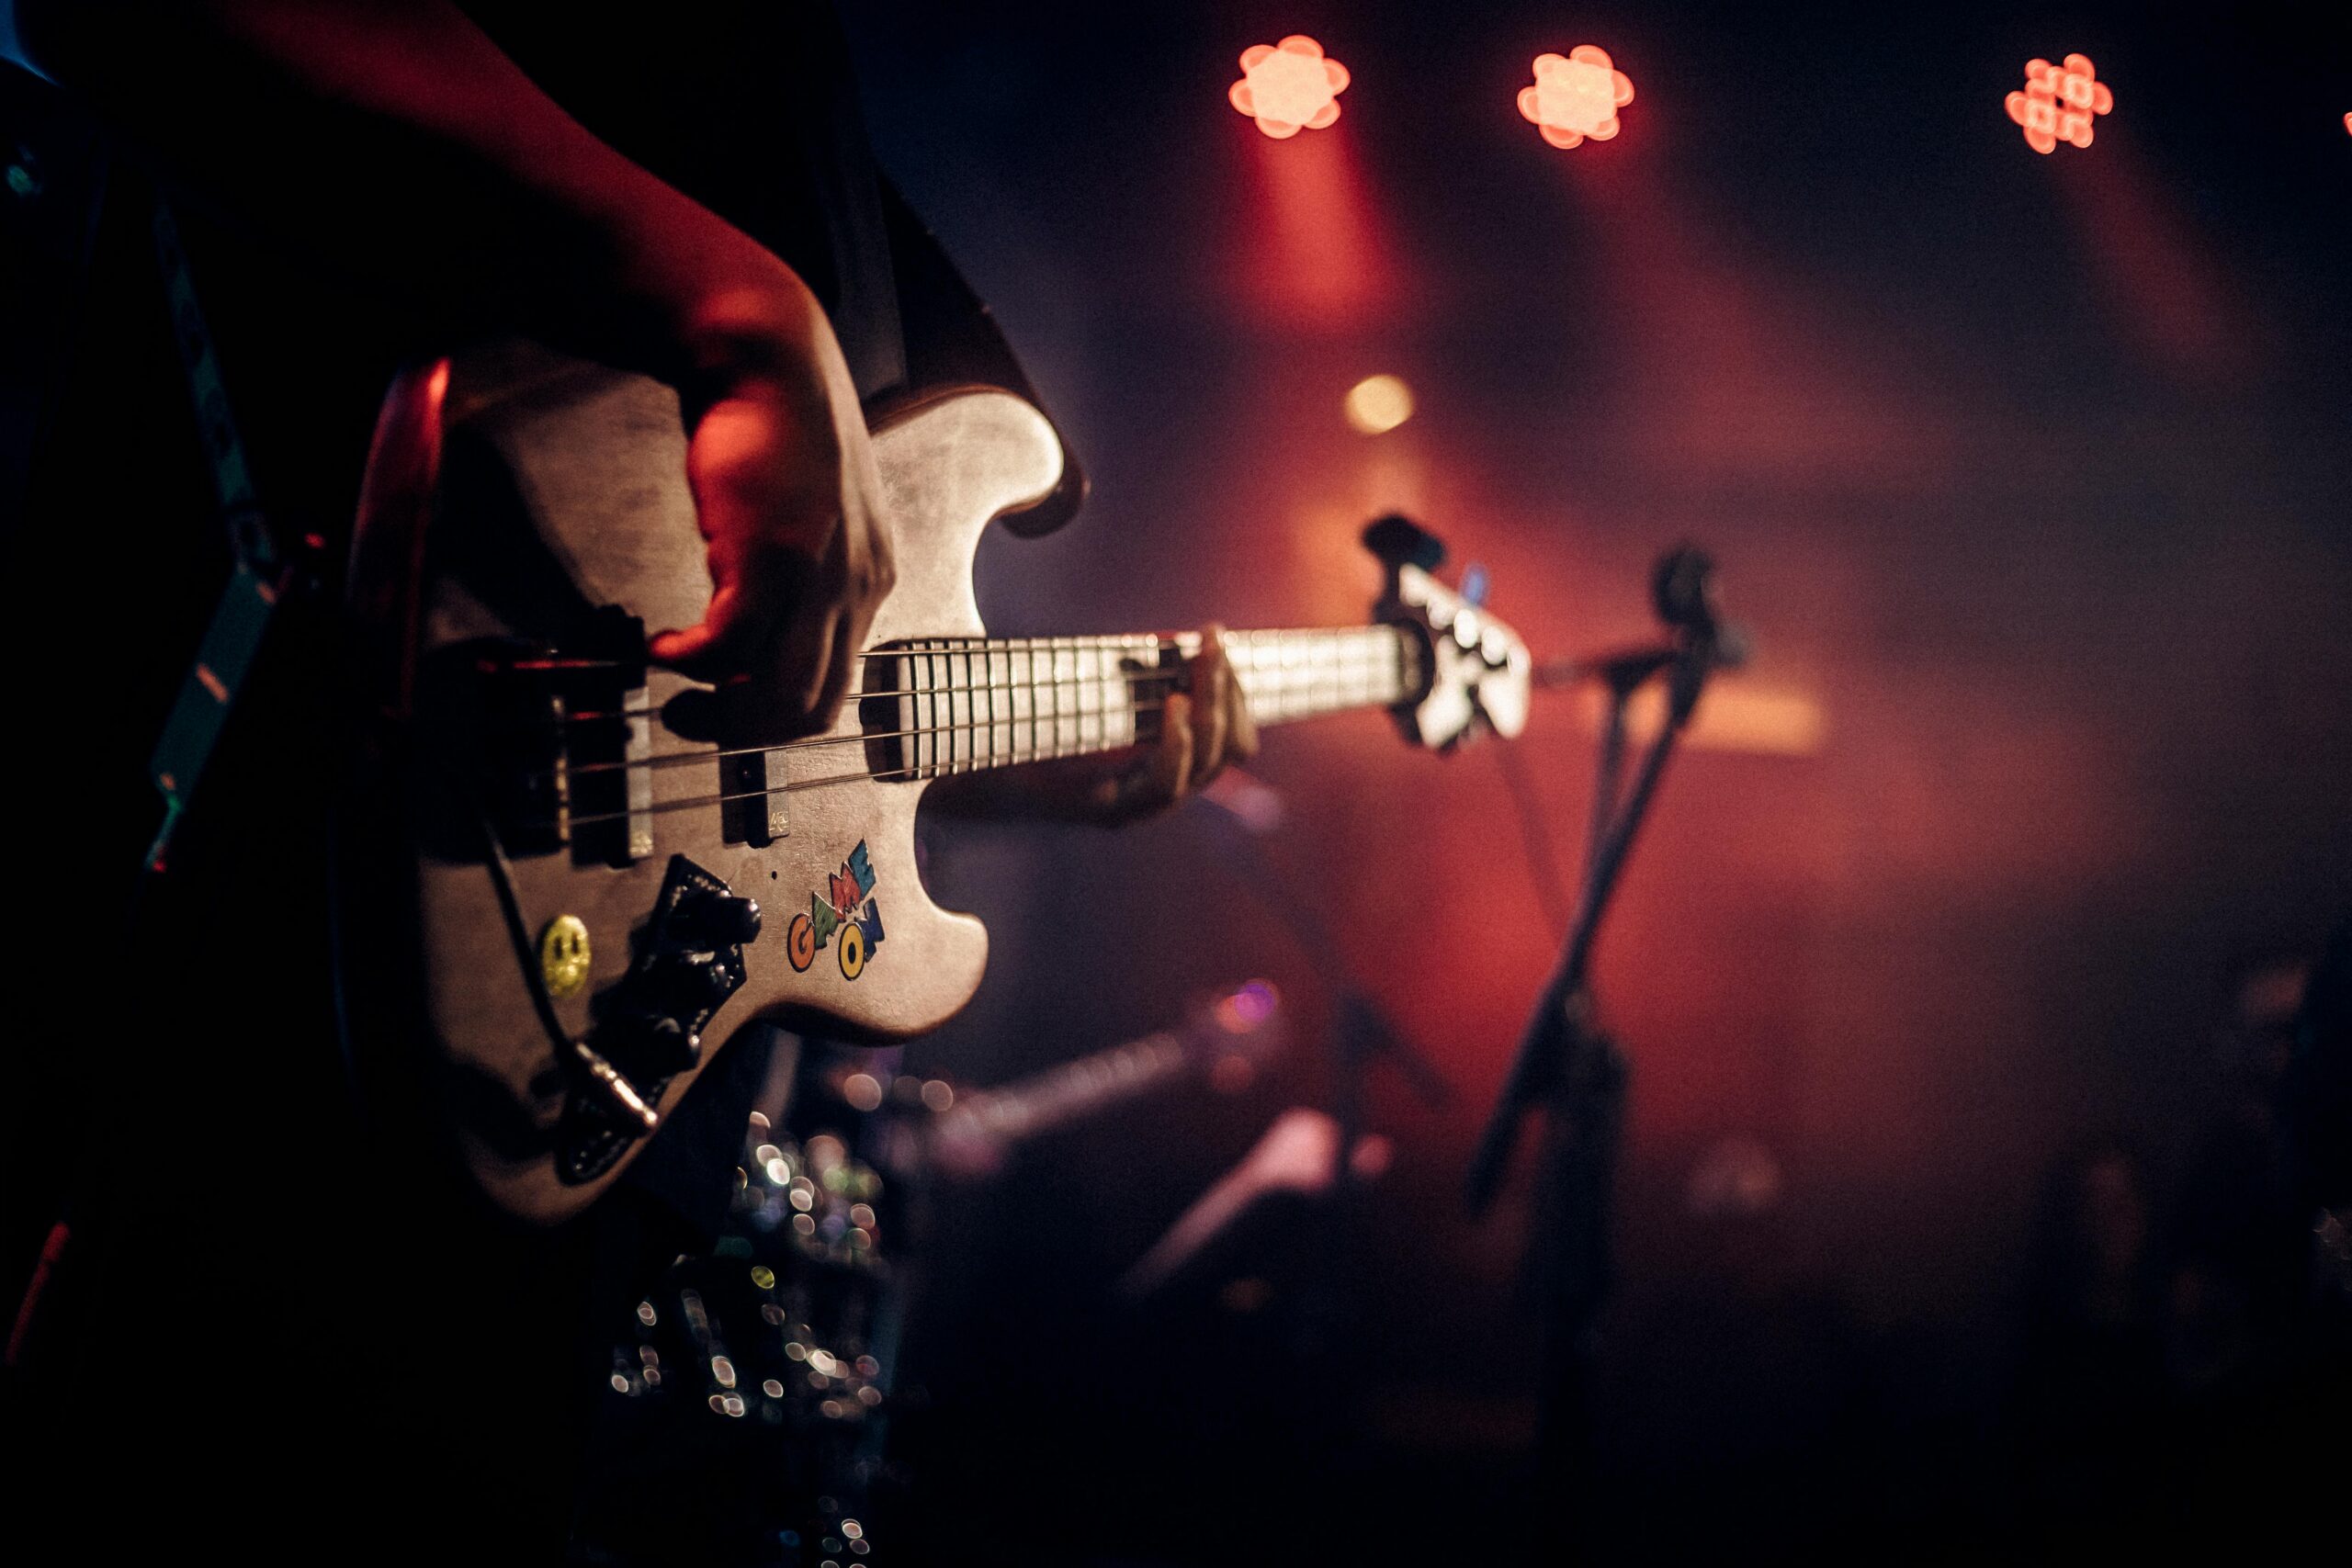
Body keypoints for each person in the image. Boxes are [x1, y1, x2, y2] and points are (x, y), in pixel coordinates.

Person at [0, 3, 1252, 1554]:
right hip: (273, 888)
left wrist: (1011, 773)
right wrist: (737, 307)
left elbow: (743, 698)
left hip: (569, 1082)